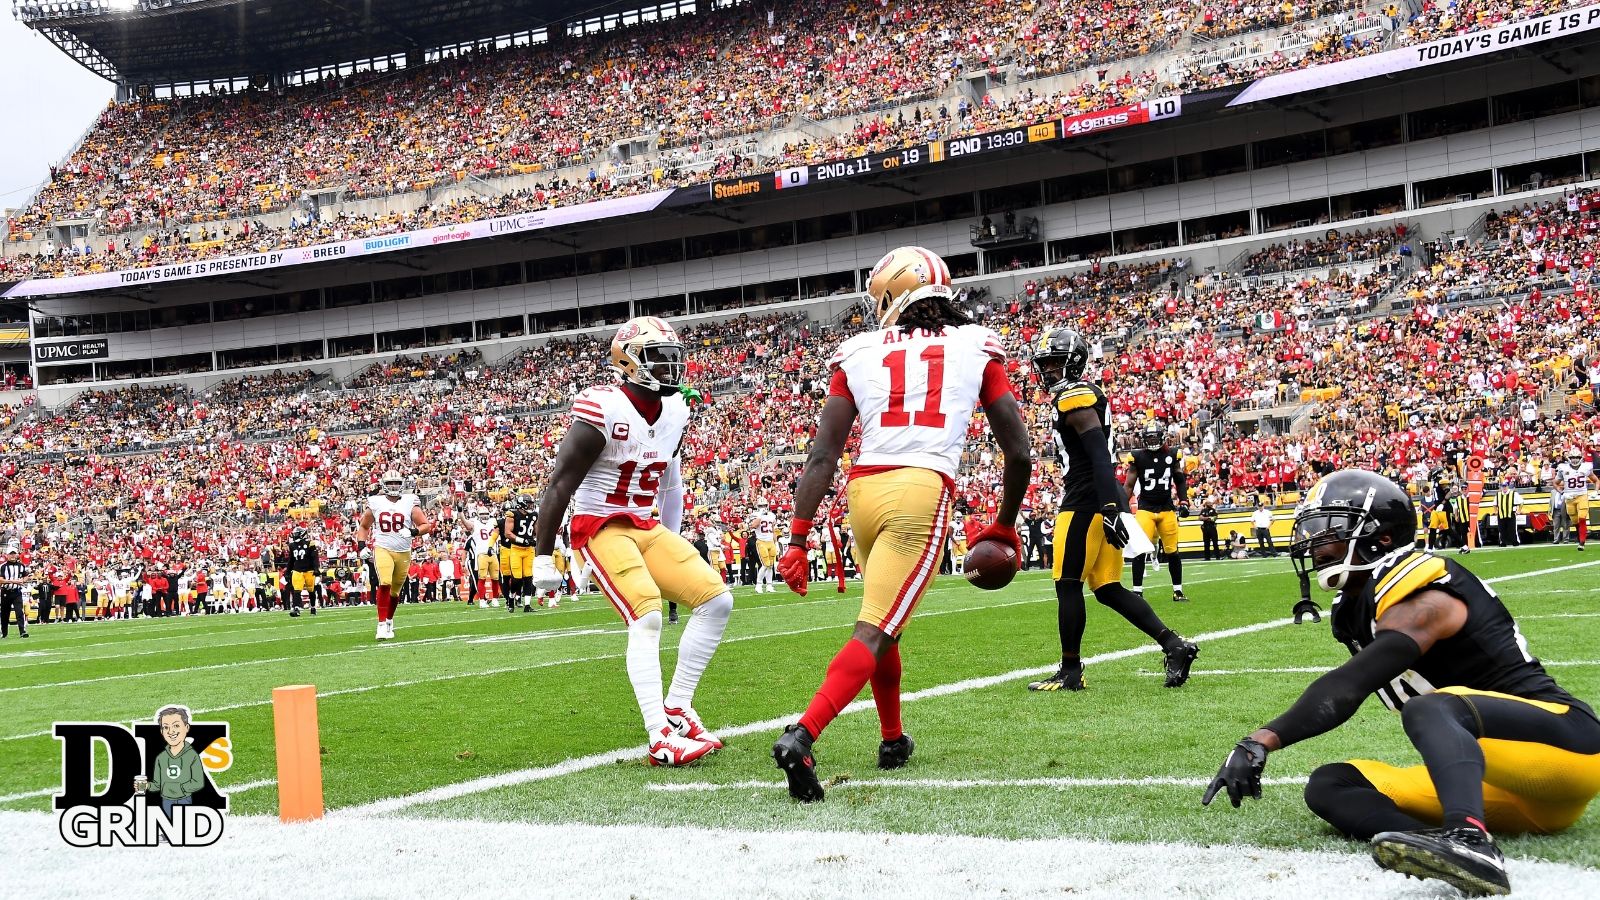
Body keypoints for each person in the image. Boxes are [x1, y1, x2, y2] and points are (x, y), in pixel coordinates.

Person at [1201, 469, 1600, 897]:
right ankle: (1439, 849)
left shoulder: (1423, 592)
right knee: (1331, 784)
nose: (1315, 542)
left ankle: (1470, 842)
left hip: (1566, 749)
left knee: (1429, 707)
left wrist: (1261, 740)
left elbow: (1350, 684)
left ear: (1382, 537)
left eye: (1329, 529)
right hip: (1505, 786)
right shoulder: (1356, 605)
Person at [771, 245, 1032, 802]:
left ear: (891, 297)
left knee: (883, 621)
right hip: (921, 487)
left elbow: (822, 458)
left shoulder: (859, 352)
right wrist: (1005, 525)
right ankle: (803, 734)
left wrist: (797, 537)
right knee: (877, 628)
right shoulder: (975, 344)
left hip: (863, 491)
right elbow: (1020, 452)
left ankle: (892, 738)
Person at [532, 316, 735, 767]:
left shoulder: (678, 409)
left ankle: (678, 707)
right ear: (629, 362)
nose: (670, 367)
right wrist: (542, 557)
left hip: (645, 525)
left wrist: (674, 543)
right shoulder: (603, 407)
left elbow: (672, 484)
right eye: (659, 358)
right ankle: (660, 736)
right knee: (645, 616)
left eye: (672, 357)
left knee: (717, 602)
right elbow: (560, 483)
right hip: (600, 525)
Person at [1025, 328, 1199, 693]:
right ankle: (1174, 645)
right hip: (1100, 501)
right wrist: (1114, 505)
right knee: (1107, 588)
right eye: (1046, 364)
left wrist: (1106, 507)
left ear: (1073, 362)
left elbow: (1100, 458)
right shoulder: (1079, 397)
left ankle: (1070, 670)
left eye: (1055, 362)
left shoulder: (1076, 397)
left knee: (1067, 584)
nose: (1049, 370)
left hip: (1084, 503)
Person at [355, 470, 436, 641]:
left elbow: (425, 525)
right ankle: (381, 624)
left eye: (397, 483)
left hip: (403, 551)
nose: (394, 486)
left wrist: (413, 532)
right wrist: (361, 546)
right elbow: (364, 527)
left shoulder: (409, 501)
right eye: (391, 483)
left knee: (395, 591)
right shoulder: (375, 502)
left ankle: (390, 619)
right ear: (384, 484)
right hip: (382, 547)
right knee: (384, 582)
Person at [1127, 422, 1190, 602]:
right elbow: (1129, 485)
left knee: (1172, 552)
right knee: (1139, 551)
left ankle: (1177, 591)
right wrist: (1123, 507)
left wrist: (1184, 501)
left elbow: (1179, 480)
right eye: (1149, 438)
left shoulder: (1172, 454)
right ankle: (1137, 591)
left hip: (1166, 508)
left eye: (1155, 437)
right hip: (1145, 508)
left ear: (1162, 437)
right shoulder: (1137, 457)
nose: (1152, 441)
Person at [1554, 448, 1594, 550]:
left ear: (1580, 458)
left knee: (1582, 518)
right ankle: (1580, 537)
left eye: (1577, 457)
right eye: (1573, 457)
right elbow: (1555, 483)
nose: (1575, 459)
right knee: (1575, 521)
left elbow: (1596, 480)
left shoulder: (1586, 467)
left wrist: (1596, 491)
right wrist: (1562, 492)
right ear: (1569, 458)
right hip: (1569, 498)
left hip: (1582, 495)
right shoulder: (1563, 468)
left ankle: (1582, 543)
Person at [503, 493, 538, 610]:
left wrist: (535, 540)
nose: (530, 506)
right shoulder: (512, 514)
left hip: (529, 550)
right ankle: (511, 598)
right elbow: (507, 533)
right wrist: (523, 541)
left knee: (528, 577)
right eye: (528, 504)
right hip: (516, 549)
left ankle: (527, 605)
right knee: (517, 578)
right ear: (522, 504)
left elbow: (536, 531)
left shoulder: (534, 515)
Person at [287, 527, 319, 617]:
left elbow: (314, 558)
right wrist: (288, 571)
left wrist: (316, 568)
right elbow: (291, 560)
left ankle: (313, 607)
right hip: (297, 570)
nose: (294, 535)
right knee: (297, 590)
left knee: (311, 590)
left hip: (309, 570)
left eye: (296, 533)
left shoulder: (310, 544)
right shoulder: (292, 545)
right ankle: (296, 608)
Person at [0, 547, 29, 638]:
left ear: (16, 554)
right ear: (7, 555)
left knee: (19, 612)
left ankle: (22, 631)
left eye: (14, 554)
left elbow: (26, 576)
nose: (12, 555)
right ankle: (4, 633)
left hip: (17, 592)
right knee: (5, 613)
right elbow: (1, 580)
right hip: (6, 592)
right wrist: (14, 581)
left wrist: (23, 580)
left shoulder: (21, 566)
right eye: (11, 554)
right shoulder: (3, 566)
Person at [752, 502, 778, 593]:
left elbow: (773, 529)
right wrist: (760, 515)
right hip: (761, 541)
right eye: (760, 506)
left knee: (770, 565)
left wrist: (776, 542)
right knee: (765, 564)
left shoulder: (771, 515)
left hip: (770, 541)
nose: (762, 507)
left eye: (764, 505)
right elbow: (754, 525)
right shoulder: (755, 514)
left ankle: (769, 585)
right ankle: (758, 585)